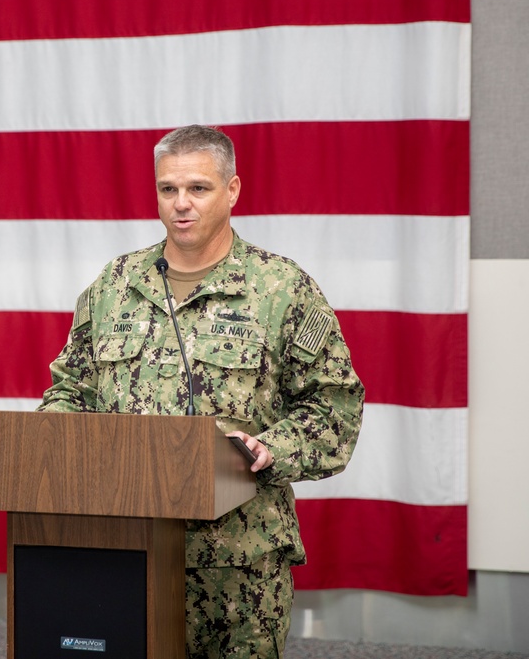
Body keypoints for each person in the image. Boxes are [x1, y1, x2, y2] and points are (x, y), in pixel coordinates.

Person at [36, 124, 364, 658]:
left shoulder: (281, 288)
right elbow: (71, 389)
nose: (180, 204)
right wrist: (53, 443)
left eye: (198, 188)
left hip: (239, 564)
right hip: (127, 550)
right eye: (168, 189)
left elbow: (335, 409)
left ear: (232, 190)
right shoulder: (115, 285)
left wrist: (272, 449)